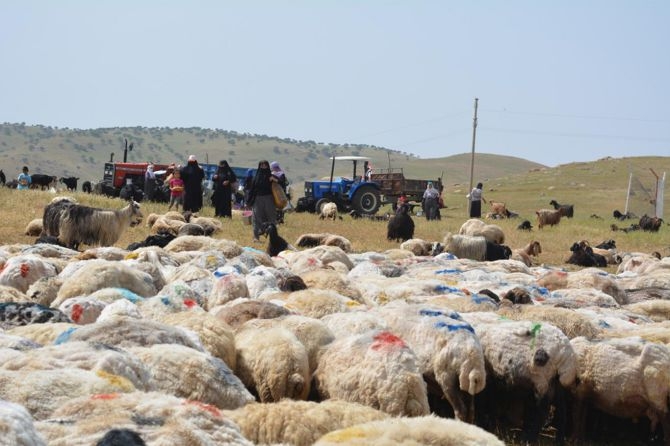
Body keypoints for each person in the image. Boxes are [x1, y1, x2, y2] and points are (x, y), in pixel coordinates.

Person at [247, 160, 277, 242]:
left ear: (268, 167)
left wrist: (274, 180)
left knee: (271, 218)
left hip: (269, 199)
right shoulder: (256, 177)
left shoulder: (271, 177)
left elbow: (281, 184)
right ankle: (256, 237)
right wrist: (249, 201)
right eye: (261, 166)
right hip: (258, 199)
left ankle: (273, 237)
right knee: (256, 218)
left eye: (265, 166)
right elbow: (252, 189)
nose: (263, 167)